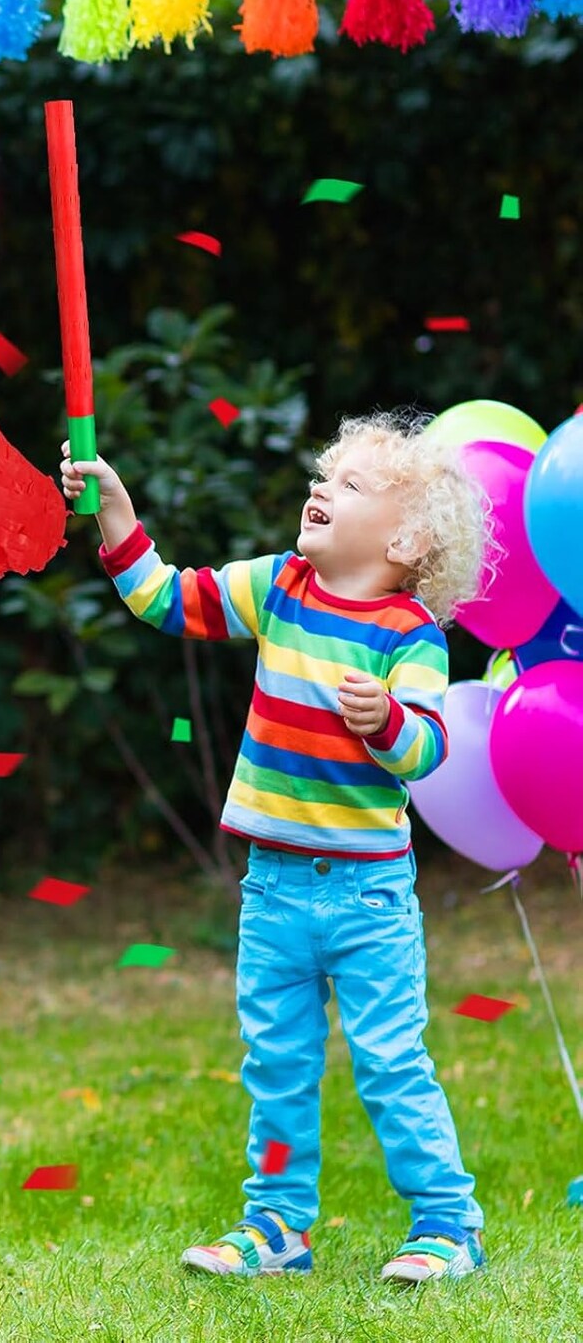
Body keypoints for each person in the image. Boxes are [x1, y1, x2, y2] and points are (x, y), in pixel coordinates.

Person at [61, 409, 491, 1285]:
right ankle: (277, 1229)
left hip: (368, 898)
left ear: (406, 538)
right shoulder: (279, 587)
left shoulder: (411, 636)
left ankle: (448, 1226)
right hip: (274, 891)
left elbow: (430, 749)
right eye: (322, 477)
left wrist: (387, 723)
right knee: (279, 1065)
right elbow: (165, 597)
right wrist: (115, 509)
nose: (319, 489)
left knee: (390, 1063)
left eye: (348, 484)